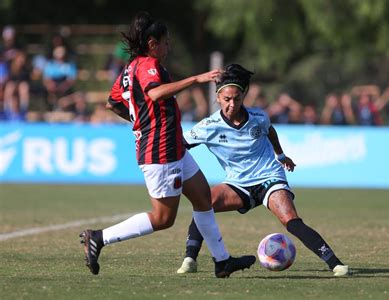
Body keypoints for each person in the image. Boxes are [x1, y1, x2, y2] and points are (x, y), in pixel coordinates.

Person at [79, 12, 255, 278]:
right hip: (160, 151)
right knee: (163, 218)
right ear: (152, 44)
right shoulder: (148, 64)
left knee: (203, 198)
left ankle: (222, 261)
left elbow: (112, 103)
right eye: (166, 42)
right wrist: (196, 79)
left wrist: (138, 118)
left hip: (173, 147)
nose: (168, 47)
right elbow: (154, 93)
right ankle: (99, 237)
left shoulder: (130, 68)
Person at [176, 64, 350, 277]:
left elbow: (270, 131)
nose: (232, 104)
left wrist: (281, 155)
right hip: (238, 183)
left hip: (269, 177)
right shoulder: (208, 126)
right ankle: (190, 259)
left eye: (237, 98)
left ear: (243, 96)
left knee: (291, 221)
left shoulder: (259, 117)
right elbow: (179, 145)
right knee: (204, 204)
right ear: (218, 98)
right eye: (227, 99)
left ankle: (335, 264)